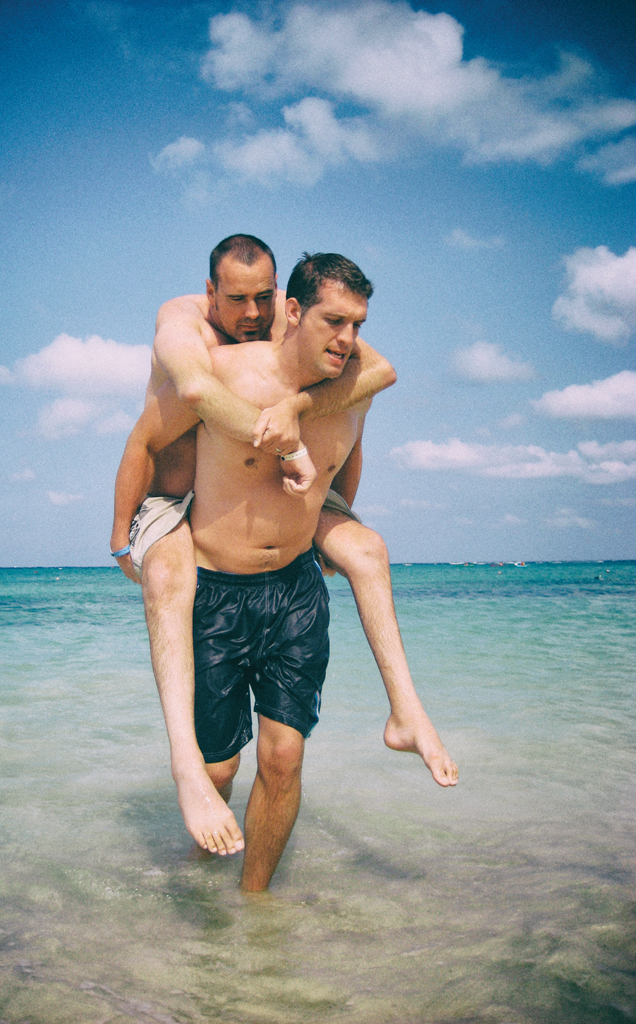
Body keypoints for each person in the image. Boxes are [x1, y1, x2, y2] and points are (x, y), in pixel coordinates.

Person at [110, 236, 457, 859]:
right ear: (212, 292)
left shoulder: (336, 367)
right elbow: (169, 413)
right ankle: (187, 772)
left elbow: (363, 416)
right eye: (236, 297)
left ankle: (405, 717)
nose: (250, 311)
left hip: (290, 577)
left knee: (367, 551)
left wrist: (331, 500)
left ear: (280, 301)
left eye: (262, 297)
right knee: (169, 580)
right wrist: (118, 540)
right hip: (182, 517)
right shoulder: (190, 330)